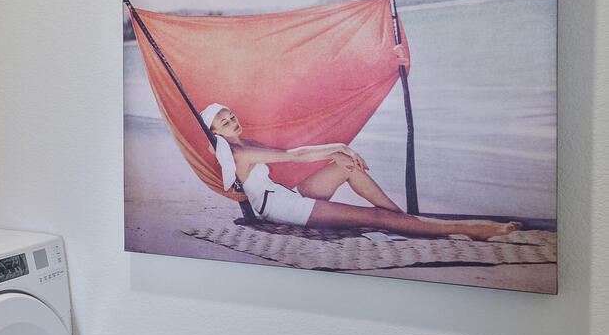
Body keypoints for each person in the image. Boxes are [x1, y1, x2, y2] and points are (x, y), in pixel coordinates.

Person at [200, 103, 521, 240]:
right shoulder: (240, 151)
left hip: (284, 197)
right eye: (223, 123)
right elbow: (294, 156)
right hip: (283, 209)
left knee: (345, 165)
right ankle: (474, 229)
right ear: (216, 132)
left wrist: (340, 153)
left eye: (230, 115)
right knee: (374, 217)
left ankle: (406, 222)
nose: (232, 122)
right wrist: (338, 143)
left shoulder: (244, 142)